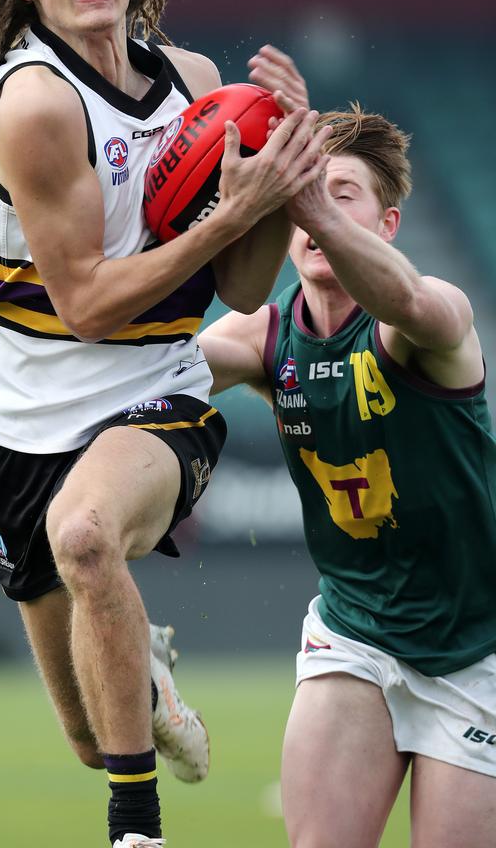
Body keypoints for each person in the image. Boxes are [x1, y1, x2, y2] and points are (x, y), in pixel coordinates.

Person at [0, 0, 331, 847]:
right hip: (13, 424)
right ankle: (140, 666)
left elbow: (240, 288)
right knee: (87, 732)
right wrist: (220, 219)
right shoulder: (33, 105)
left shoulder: (193, 83)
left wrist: (278, 183)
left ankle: (135, 829)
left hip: (154, 391)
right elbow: (85, 307)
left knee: (85, 536)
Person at [200, 102, 496, 847]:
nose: (314, 214)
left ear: (387, 224)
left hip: (476, 647)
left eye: (341, 194)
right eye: (303, 193)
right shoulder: (266, 337)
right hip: (354, 631)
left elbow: (410, 303)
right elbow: (159, 375)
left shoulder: (425, 315)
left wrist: (309, 206)